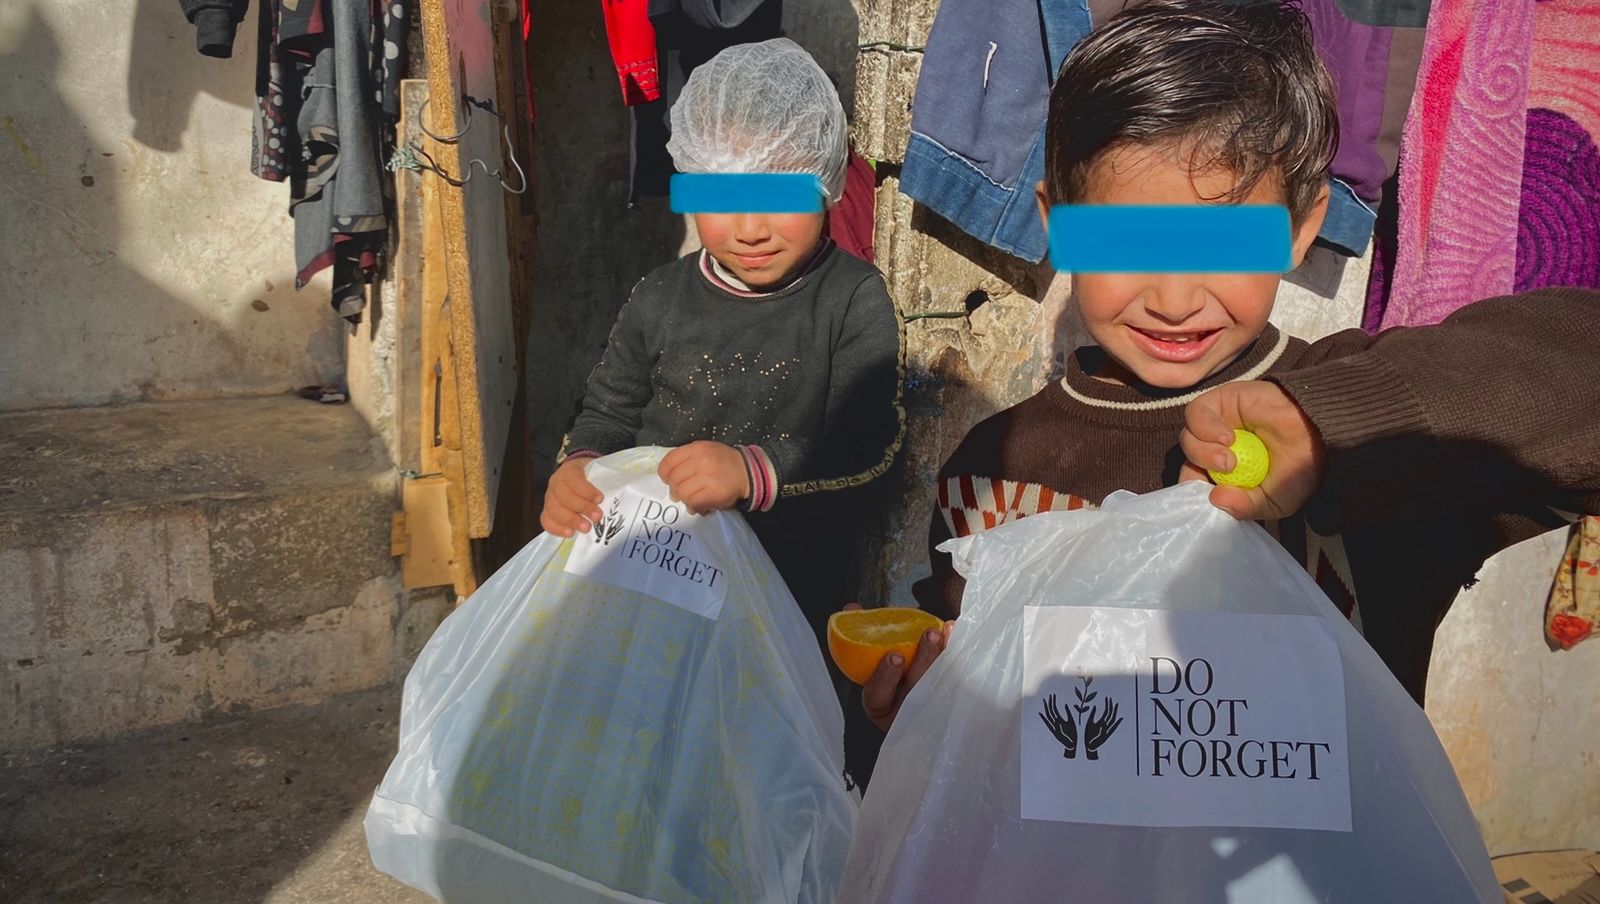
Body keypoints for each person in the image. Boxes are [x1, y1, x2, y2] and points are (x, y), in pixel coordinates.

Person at [859, 0, 1600, 735]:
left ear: (1301, 227)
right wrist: (918, 710)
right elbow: (969, 689)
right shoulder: (990, 473)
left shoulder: (1381, 444)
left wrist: (1335, 424)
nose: (1176, 298)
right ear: (1060, 225)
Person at [539, 38, 906, 786]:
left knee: (762, 771)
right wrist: (578, 467)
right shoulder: (659, 297)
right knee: (652, 761)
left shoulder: (853, 300)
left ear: (830, 182)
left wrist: (752, 471)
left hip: (789, 607)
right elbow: (608, 410)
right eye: (721, 198)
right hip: (655, 588)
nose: (751, 227)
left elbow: (873, 449)